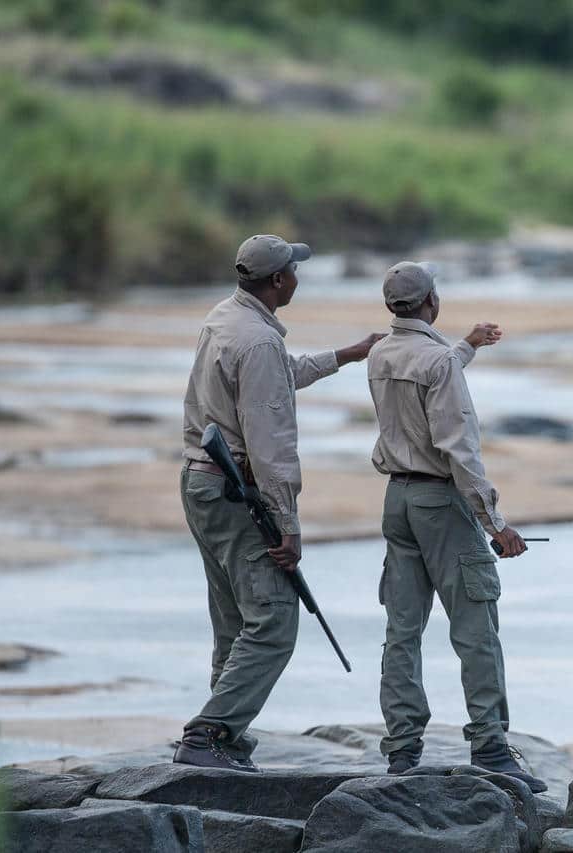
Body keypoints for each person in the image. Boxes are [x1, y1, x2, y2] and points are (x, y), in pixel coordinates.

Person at [174, 234, 380, 772]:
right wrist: (288, 525)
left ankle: (224, 740)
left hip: (200, 484)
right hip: (234, 491)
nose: (298, 277)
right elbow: (271, 446)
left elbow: (280, 376)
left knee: (234, 621)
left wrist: (347, 355)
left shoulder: (225, 317)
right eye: (293, 270)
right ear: (278, 280)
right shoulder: (259, 341)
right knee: (273, 623)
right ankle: (208, 735)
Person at [368, 261, 547, 793]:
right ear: (432, 302)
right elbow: (458, 449)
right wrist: (497, 524)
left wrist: (467, 346)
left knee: (402, 630)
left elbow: (428, 372)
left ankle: (402, 751)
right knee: (475, 629)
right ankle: (490, 747)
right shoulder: (439, 361)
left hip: (397, 500)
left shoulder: (380, 353)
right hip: (441, 504)